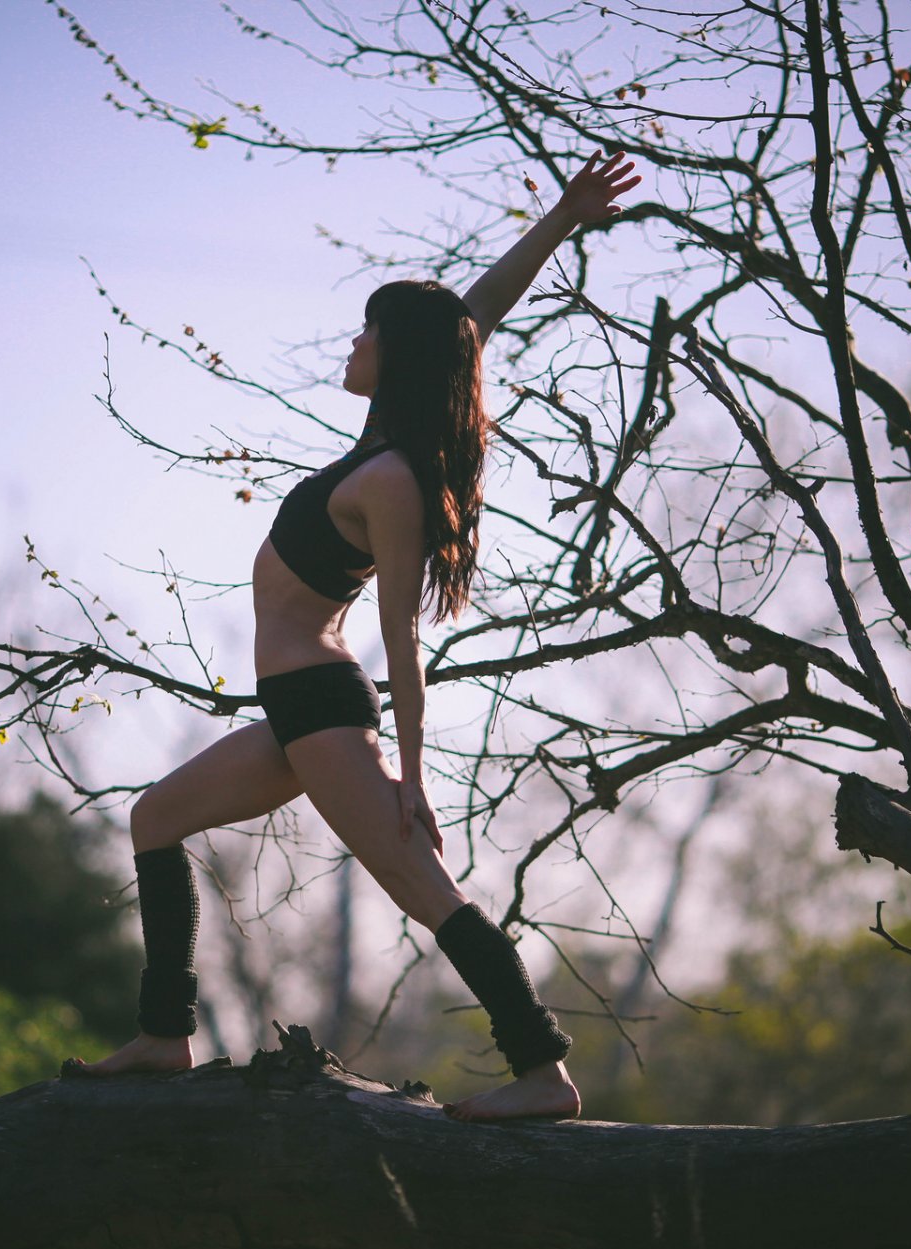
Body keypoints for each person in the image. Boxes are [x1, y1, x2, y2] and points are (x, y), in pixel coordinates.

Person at [65, 152, 642, 1121]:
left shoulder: (391, 481)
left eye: (368, 329)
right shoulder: (386, 432)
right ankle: (166, 1033)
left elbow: (403, 646)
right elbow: (472, 316)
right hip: (294, 709)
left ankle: (543, 1070)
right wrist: (564, 218)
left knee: (425, 887)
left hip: (327, 708)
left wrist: (412, 774)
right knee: (154, 818)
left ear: (394, 353)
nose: (355, 340)